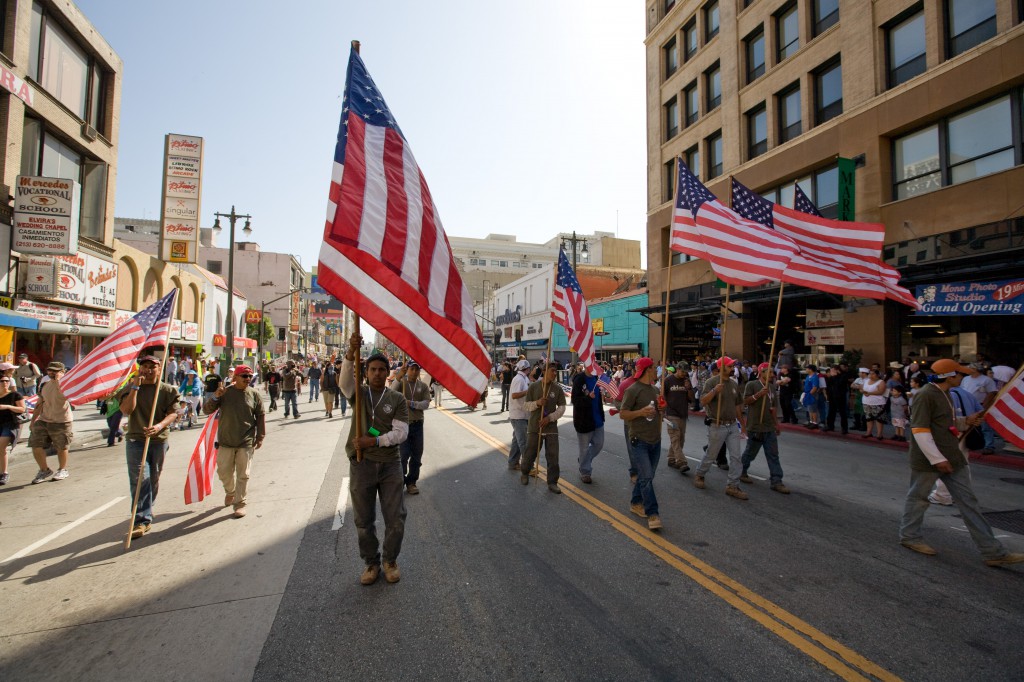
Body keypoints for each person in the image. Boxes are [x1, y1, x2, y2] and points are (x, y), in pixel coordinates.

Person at [898, 358, 1024, 567]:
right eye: (959, 374)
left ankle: (992, 551)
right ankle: (910, 537)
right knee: (918, 498)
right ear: (949, 376)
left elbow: (943, 424)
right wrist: (938, 460)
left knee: (969, 503)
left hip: (952, 457)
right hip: (929, 460)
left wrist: (966, 421)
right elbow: (919, 430)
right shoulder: (926, 395)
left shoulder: (945, 394)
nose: (963, 377)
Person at [340, 334, 410, 585]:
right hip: (362, 464)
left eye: (382, 369)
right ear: (366, 372)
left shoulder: (397, 398)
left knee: (396, 518)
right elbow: (345, 383)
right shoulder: (358, 394)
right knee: (363, 520)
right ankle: (371, 563)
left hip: (390, 463)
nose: (377, 373)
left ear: (387, 373)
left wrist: (375, 440)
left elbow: (401, 433)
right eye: (372, 369)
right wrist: (350, 353)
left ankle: (390, 561)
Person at [119, 355, 180, 538]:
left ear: (159, 369)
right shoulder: (130, 388)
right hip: (135, 440)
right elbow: (126, 410)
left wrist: (159, 426)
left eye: (152, 367)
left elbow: (173, 414)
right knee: (140, 478)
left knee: (153, 477)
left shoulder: (168, 390)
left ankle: (147, 508)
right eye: (144, 366)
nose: (148, 370)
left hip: (158, 440)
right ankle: (141, 520)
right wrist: (135, 388)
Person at [205, 364, 265, 518]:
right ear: (235, 377)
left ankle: (240, 503)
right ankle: (230, 492)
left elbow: (260, 416)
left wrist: (260, 436)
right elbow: (207, 410)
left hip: (246, 441)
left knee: (243, 474)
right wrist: (216, 396)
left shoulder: (254, 394)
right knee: (224, 472)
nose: (248, 379)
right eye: (244, 376)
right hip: (226, 441)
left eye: (250, 376)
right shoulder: (225, 393)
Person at [619, 357, 664, 529]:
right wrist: (640, 412)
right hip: (639, 440)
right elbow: (623, 414)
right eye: (654, 368)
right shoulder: (632, 390)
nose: (656, 371)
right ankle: (653, 513)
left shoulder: (655, 389)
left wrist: (661, 408)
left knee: (648, 476)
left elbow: (659, 413)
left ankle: (635, 502)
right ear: (647, 370)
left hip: (655, 439)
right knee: (646, 478)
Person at [695, 356, 747, 499]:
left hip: (732, 425)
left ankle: (732, 485)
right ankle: (700, 474)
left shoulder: (733, 384)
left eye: (732, 366)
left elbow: (737, 406)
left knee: (736, 456)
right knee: (711, 454)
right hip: (717, 424)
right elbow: (703, 401)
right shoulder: (711, 382)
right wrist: (714, 391)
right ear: (721, 368)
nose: (732, 369)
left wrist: (742, 425)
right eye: (729, 366)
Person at [739, 363, 789, 494]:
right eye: (770, 372)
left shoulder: (772, 387)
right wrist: (758, 395)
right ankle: (741, 471)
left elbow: (773, 408)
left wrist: (776, 424)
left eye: (773, 372)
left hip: (768, 427)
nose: (772, 374)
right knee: (750, 453)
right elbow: (745, 401)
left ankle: (777, 481)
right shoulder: (752, 385)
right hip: (755, 426)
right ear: (761, 372)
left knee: (773, 455)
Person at [520, 361, 566, 494]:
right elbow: (526, 406)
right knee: (530, 453)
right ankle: (524, 472)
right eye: (552, 371)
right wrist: (538, 403)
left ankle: (552, 482)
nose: (554, 374)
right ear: (545, 371)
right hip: (535, 426)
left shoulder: (557, 389)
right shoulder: (533, 387)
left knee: (553, 456)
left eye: (555, 372)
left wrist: (550, 418)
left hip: (551, 428)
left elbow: (562, 408)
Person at [28, 362, 74, 484]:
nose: (52, 373)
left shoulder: (66, 385)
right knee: (35, 444)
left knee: (61, 446)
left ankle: (62, 469)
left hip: (62, 420)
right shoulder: (44, 385)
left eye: (55, 371)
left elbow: (68, 396)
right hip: (44, 419)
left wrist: (59, 380)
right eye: (50, 370)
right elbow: (39, 403)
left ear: (62, 372)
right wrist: (33, 420)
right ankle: (44, 470)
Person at [394, 362, 431, 495]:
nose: (414, 372)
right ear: (407, 370)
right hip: (402, 425)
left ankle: (411, 482)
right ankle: (401, 481)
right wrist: (398, 377)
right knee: (403, 455)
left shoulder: (423, 386)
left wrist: (410, 403)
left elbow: (426, 404)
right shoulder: (401, 383)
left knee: (416, 456)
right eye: (412, 369)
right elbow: (390, 393)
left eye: (417, 369)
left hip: (417, 425)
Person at [571, 363, 604, 484]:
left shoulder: (596, 378)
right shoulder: (579, 379)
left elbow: (599, 399)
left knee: (599, 444)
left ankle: (583, 460)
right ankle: (585, 471)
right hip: (584, 420)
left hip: (598, 419)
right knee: (584, 448)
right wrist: (588, 398)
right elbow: (575, 400)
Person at [961, 362, 998, 454]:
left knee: (985, 427)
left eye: (970, 368)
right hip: (968, 405)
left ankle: (989, 446)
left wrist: (984, 406)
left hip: (981, 405)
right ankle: (970, 444)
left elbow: (992, 393)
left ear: (975, 369)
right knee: (969, 425)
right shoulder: (965, 379)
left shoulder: (986, 380)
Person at [663, 363, 694, 473]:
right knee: (675, 438)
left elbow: (691, 398)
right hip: (671, 414)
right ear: (677, 369)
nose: (684, 374)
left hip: (683, 414)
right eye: (682, 371)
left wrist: (689, 388)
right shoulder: (668, 380)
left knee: (681, 439)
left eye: (686, 372)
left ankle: (671, 458)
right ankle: (681, 461)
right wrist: (663, 411)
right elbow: (662, 396)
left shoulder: (686, 381)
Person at [506, 359, 532, 471]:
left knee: (517, 441)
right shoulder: (518, 379)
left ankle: (512, 463)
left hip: (523, 414)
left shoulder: (524, 378)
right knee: (524, 442)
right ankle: (528, 467)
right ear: (528, 369)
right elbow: (515, 395)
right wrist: (528, 391)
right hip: (518, 415)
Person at [0, 376, 26, 485]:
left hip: (10, 424)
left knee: (1, 446)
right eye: (2, 381)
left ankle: (4, 473)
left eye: (7, 381)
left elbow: (22, 409)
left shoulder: (15, 395)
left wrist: (7, 407)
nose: (5, 383)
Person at [860, 369, 887, 440]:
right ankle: (869, 432)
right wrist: (863, 391)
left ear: (877, 375)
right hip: (866, 402)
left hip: (878, 403)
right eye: (870, 374)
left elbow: (881, 391)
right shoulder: (866, 381)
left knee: (879, 418)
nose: (871, 375)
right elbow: (861, 388)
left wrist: (869, 393)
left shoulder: (881, 382)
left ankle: (879, 434)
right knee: (869, 418)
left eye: (873, 374)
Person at [824, 365, 849, 435]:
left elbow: (839, 384)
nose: (831, 372)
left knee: (842, 413)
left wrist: (834, 376)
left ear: (837, 370)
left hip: (840, 397)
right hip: (832, 396)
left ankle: (844, 428)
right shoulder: (832, 377)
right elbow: (828, 385)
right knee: (831, 411)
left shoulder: (843, 376)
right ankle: (830, 426)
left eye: (832, 371)